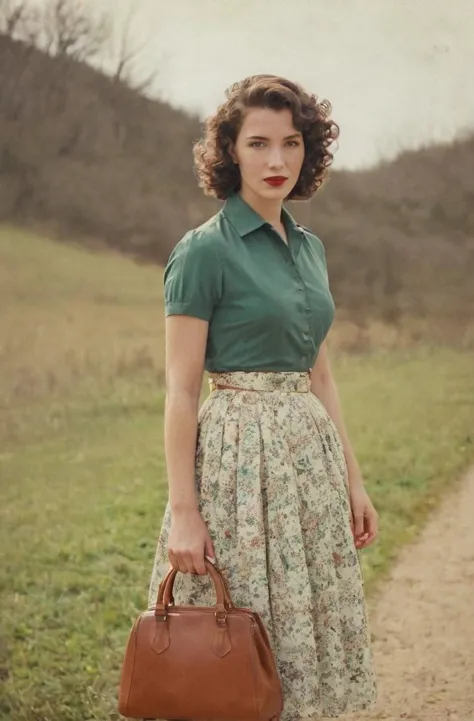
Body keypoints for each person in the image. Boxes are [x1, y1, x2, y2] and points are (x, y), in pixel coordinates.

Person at [147, 74, 378, 719]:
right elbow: (180, 390)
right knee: (234, 638)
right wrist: (185, 511)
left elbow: (321, 375)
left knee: (310, 633)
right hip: (236, 469)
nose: (277, 161)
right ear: (230, 151)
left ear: (309, 153)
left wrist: (353, 481)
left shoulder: (311, 250)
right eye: (258, 143)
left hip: (311, 466)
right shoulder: (202, 252)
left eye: (292, 143)